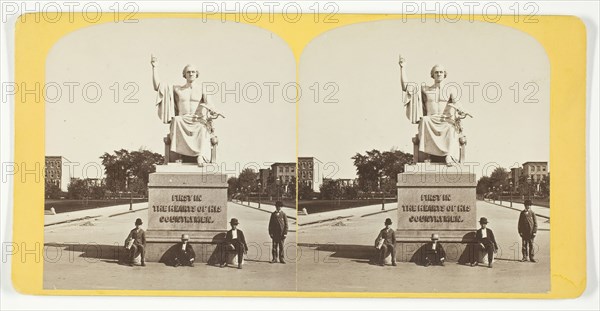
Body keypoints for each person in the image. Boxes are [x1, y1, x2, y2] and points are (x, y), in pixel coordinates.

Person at [151, 55, 224, 166]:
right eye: (188, 72)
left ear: (197, 74)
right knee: (176, 120)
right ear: (184, 74)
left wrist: (214, 111)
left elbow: (210, 104)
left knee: (202, 127)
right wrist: (154, 67)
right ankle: (177, 156)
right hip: (183, 119)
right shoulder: (177, 89)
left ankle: (201, 156)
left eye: (193, 72)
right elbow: (158, 87)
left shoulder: (202, 89)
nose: (191, 74)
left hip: (197, 120)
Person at [399, 55, 471, 166]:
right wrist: (402, 68)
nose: (439, 74)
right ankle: (427, 156)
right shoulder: (425, 89)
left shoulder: (450, 89)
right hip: (431, 119)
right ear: (432, 75)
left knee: (451, 127)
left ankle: (449, 155)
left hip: (445, 120)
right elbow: (406, 87)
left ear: (445, 74)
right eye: (436, 72)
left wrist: (462, 110)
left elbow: (456, 103)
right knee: (425, 120)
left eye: (441, 72)